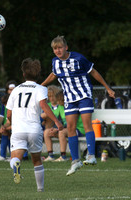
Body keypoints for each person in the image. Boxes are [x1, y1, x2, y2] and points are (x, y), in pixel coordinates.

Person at [41, 36, 115, 176]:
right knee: (70, 128)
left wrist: (107, 88)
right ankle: (75, 161)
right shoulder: (55, 62)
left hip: (84, 95)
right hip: (69, 98)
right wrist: (41, 85)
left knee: (87, 124)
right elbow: (54, 74)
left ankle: (91, 156)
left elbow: (93, 72)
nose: (58, 50)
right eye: (55, 48)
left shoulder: (78, 58)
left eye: (60, 47)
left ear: (66, 47)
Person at [6, 58, 63, 192]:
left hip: (19, 129)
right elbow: (43, 105)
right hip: (34, 129)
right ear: (38, 75)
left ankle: (16, 165)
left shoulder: (16, 90)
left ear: (24, 74)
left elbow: (9, 114)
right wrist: (56, 121)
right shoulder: (41, 89)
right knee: (37, 160)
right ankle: (40, 189)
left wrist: (13, 123)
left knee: (15, 158)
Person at [42, 85, 68, 162]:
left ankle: (63, 156)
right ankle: (50, 155)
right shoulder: (47, 106)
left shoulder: (61, 106)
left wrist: (57, 129)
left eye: (53, 96)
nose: (52, 98)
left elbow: (65, 121)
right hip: (53, 130)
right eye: (49, 96)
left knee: (61, 132)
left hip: (63, 129)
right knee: (46, 132)